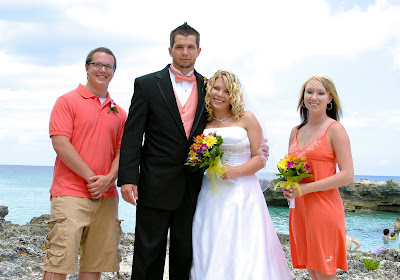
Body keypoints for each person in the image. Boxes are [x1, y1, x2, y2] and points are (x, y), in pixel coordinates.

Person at [118, 23, 208, 280]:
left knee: (186, 253)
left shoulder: (210, 87)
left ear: (199, 51)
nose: (185, 52)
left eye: (190, 47)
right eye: (179, 47)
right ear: (170, 49)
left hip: (193, 186)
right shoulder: (147, 84)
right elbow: (133, 134)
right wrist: (127, 178)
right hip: (153, 182)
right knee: (148, 252)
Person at [189, 70, 292, 279]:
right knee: (210, 240)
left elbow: (259, 158)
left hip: (243, 192)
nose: (220, 94)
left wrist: (235, 171)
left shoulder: (246, 118)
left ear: (234, 94)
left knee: (243, 244)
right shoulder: (203, 122)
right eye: (216, 88)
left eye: (227, 91)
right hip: (211, 192)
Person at [43, 47, 127, 280]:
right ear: (87, 67)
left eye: (108, 66)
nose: (102, 70)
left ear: (114, 71)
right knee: (59, 262)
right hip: (70, 193)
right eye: (97, 64)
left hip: (106, 198)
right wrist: (93, 179)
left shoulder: (120, 113)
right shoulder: (67, 101)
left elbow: (122, 151)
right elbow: (61, 144)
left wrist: (109, 179)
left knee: (95, 264)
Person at [283, 75, 354, 280]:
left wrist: (305, 189)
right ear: (303, 96)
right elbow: (290, 171)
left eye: (321, 93)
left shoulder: (335, 130)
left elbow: (347, 175)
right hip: (299, 211)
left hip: (324, 209)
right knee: (313, 271)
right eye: (309, 92)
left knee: (324, 273)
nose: (314, 97)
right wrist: (288, 187)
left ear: (330, 98)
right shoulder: (295, 131)